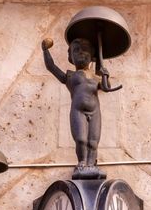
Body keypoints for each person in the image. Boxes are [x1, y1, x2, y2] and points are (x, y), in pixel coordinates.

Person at [42, 37, 110, 179]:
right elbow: (51, 67)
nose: (81, 53)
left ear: (92, 55)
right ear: (70, 56)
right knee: (81, 140)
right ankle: (82, 163)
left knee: (93, 141)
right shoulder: (70, 76)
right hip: (78, 111)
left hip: (95, 111)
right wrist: (45, 50)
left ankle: (91, 165)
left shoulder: (96, 77)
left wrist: (104, 75)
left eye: (85, 50)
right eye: (76, 50)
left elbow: (106, 87)